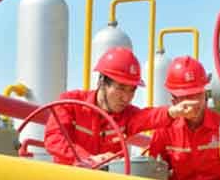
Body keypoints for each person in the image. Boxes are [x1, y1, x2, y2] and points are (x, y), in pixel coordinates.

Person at [44, 47, 198, 168]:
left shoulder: (127, 115)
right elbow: (54, 138)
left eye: (132, 90)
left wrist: (172, 112)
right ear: (102, 82)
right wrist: (87, 159)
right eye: (121, 88)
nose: (126, 97)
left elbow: (148, 117)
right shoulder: (70, 103)